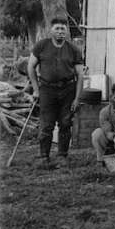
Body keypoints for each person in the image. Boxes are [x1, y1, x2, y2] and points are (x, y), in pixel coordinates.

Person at [27, 16, 84, 168]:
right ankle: (44, 156)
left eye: (63, 29)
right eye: (57, 28)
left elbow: (80, 75)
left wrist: (77, 98)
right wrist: (36, 90)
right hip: (47, 89)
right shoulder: (41, 46)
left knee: (65, 123)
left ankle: (62, 156)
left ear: (66, 31)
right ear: (50, 30)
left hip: (68, 90)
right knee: (46, 124)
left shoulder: (74, 50)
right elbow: (30, 67)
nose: (60, 32)